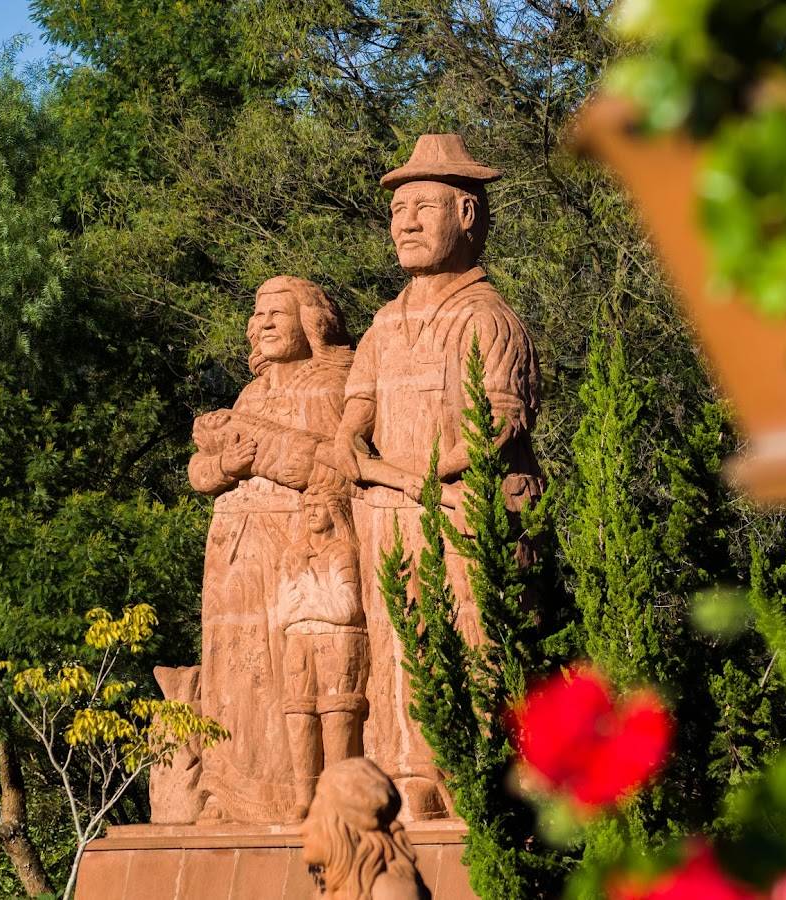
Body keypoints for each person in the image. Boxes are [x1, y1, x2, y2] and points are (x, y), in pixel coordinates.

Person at [333, 134, 543, 819]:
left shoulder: (488, 317)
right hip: (391, 521)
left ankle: (481, 775)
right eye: (397, 212)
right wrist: (352, 447)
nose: (406, 223)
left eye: (422, 207)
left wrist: (404, 473)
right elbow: (355, 406)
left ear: (468, 214)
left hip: (469, 514)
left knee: (474, 633)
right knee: (400, 640)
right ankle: (410, 771)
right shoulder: (386, 322)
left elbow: (500, 425)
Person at [189, 276, 354, 823]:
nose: (262, 324)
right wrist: (224, 466)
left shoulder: (335, 384)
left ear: (312, 321)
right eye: (257, 315)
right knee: (234, 672)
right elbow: (205, 472)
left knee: (288, 671)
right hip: (234, 552)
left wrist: (264, 456)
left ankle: (293, 795)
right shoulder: (250, 394)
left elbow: (341, 466)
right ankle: (230, 791)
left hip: (294, 547)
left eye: (276, 313)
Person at [279, 485, 369, 819]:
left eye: (318, 504)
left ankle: (339, 797)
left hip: (339, 641)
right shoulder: (293, 554)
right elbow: (283, 613)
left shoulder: (342, 551)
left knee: (337, 712)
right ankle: (305, 799)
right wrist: (315, 604)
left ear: (334, 510)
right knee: (299, 714)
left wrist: (309, 601)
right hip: (299, 642)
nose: (311, 510)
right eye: (307, 505)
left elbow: (347, 607)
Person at [301, 757, 429, 900]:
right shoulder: (324, 894)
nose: (303, 830)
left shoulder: (392, 893)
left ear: (347, 826)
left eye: (315, 818)